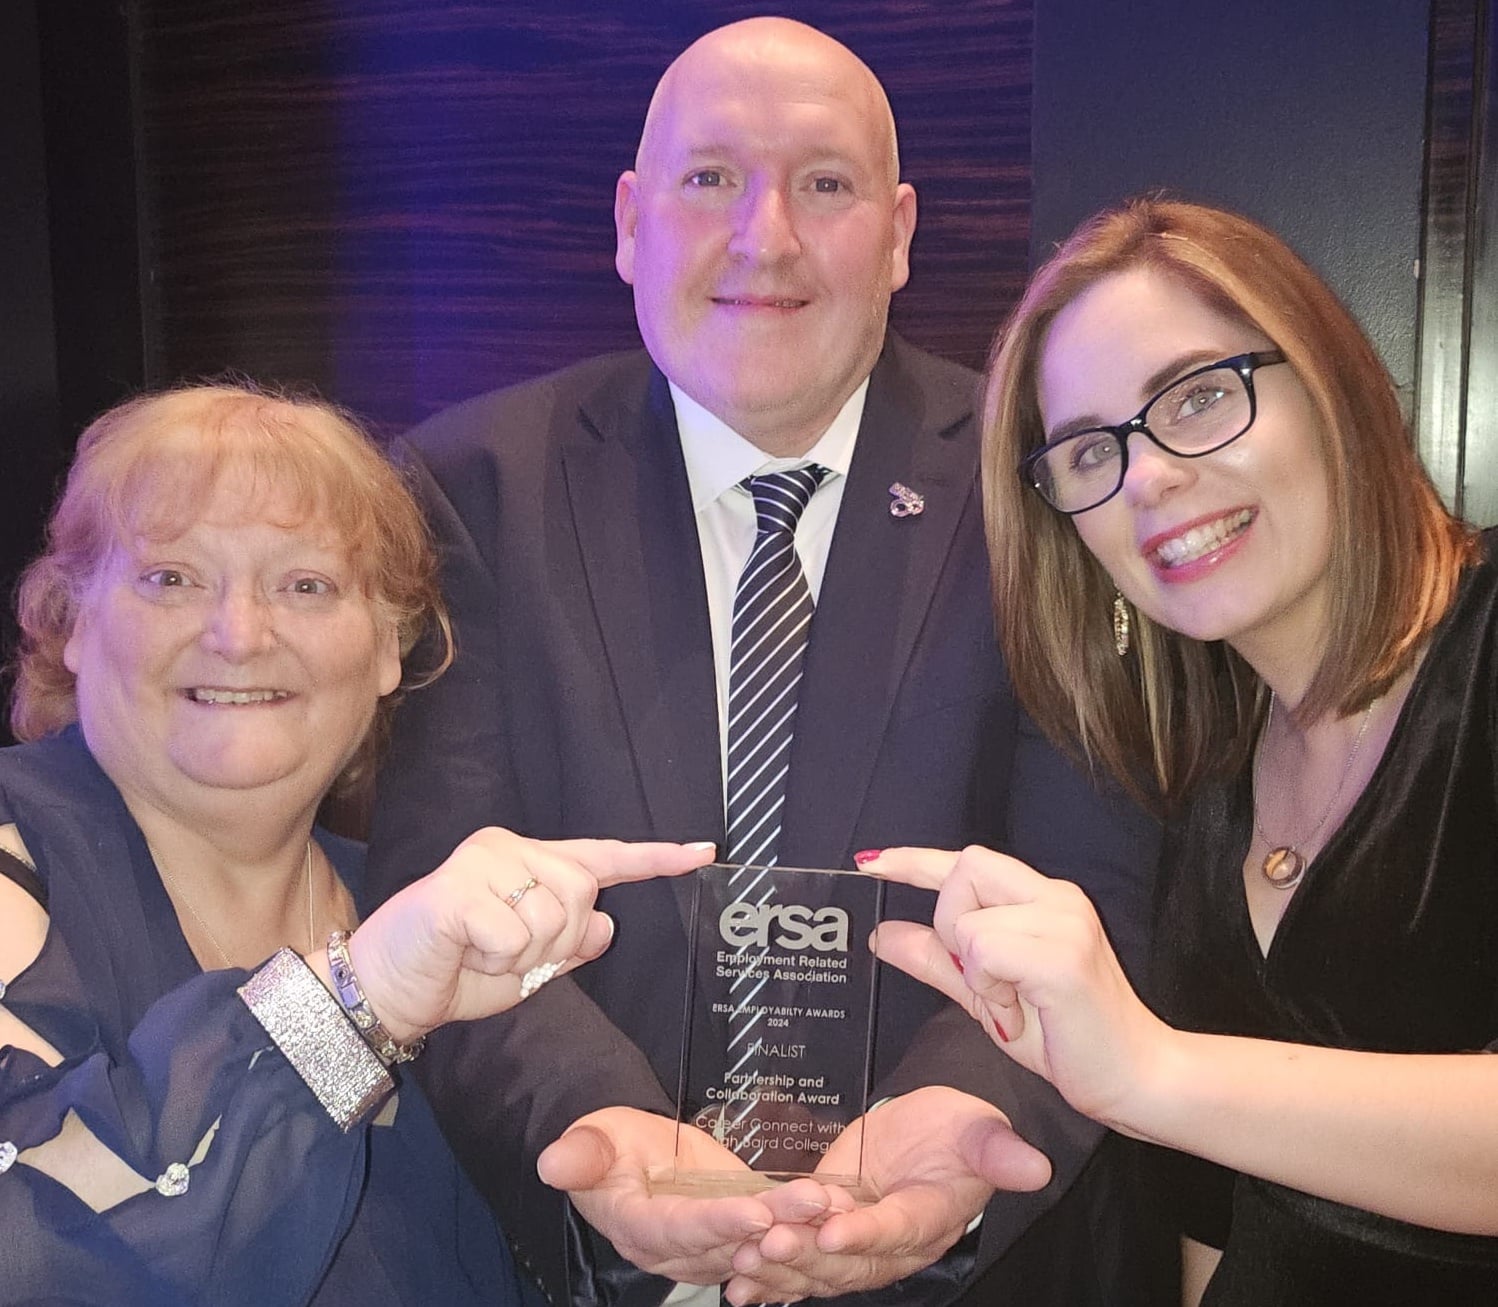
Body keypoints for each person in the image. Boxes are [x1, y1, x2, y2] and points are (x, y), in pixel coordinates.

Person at [368, 16, 1161, 1307]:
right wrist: (605, 1142)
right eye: (710, 178)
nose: (766, 235)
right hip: (610, 1250)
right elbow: (433, 884)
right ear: (631, 219)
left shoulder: (1040, 484)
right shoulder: (474, 489)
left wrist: (955, 1128)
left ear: (899, 232)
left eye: (826, 184)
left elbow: (1096, 888)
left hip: (963, 1257)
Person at [866, 196, 1498, 1304]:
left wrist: (1149, 1069)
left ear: (1329, 377)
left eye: (1199, 396)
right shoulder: (1199, 765)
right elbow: (1213, 1224)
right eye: (1088, 450)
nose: (1148, 475)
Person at [0, 383, 715, 1305]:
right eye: (172, 577)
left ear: (389, 650)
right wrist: (350, 1009)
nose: (240, 634)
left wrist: (677, 1250)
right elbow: (31, 1248)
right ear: (73, 622)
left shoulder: (410, 910)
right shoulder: (21, 866)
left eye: (306, 585)